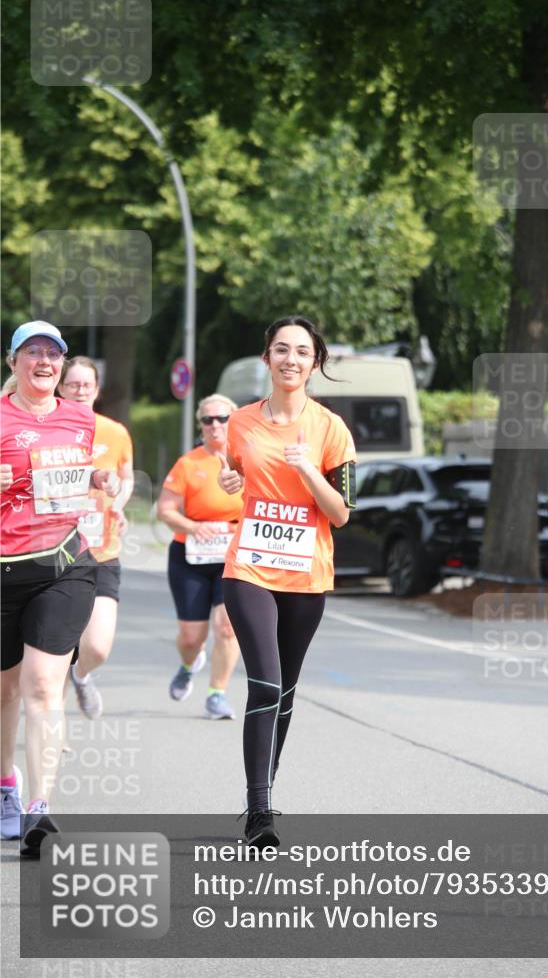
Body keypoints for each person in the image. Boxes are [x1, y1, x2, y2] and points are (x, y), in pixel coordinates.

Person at [219, 316, 356, 848]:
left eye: (301, 351)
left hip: (306, 574)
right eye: (281, 349)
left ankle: (266, 788)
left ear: (315, 362)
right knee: (266, 684)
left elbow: (342, 513)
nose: (290, 359)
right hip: (248, 566)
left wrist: (308, 471)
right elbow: (235, 476)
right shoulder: (240, 422)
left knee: (288, 691)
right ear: (266, 359)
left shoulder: (331, 429)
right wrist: (231, 481)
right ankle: (260, 811)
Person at [0, 321, 119, 857]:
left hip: (63, 565)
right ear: (13, 363)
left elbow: (79, 475)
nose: (44, 361)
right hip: (5, 569)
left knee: (44, 685)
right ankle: (7, 786)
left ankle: (39, 811)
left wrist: (99, 481)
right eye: (33, 352)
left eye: (53, 353)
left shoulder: (81, 419)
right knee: (4, 691)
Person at [157, 395, 243, 719]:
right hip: (190, 556)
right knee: (192, 636)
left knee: (227, 627)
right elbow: (164, 510)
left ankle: (217, 694)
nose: (216, 425)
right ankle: (187, 663)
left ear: (233, 419)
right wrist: (192, 526)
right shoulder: (189, 463)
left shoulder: (245, 461)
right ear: (200, 425)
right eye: (208, 420)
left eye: (222, 418)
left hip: (231, 556)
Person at [58, 357, 134, 719]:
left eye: (87, 385)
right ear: (61, 388)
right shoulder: (47, 430)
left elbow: (127, 476)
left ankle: (82, 674)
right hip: (52, 551)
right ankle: (52, 734)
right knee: (53, 648)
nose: (80, 391)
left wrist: (118, 503)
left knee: (98, 646)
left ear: (97, 390)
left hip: (101, 549)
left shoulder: (115, 432)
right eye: (73, 385)